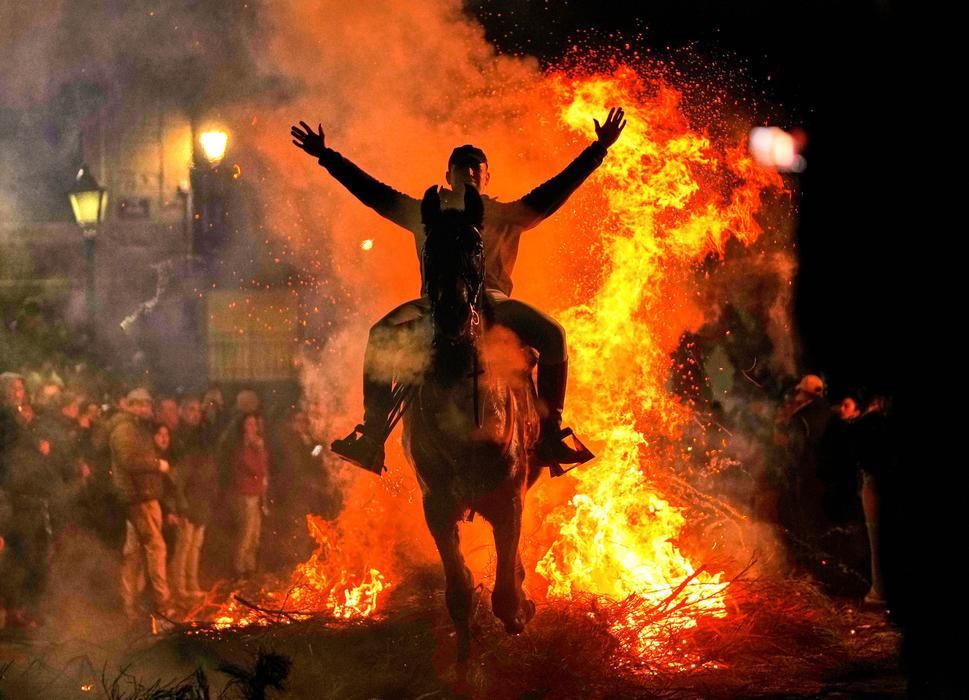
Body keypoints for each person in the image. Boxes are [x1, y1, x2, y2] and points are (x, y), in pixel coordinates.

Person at [290, 107, 627, 472]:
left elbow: (556, 190)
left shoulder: (507, 216)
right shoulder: (424, 214)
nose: (468, 173)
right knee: (380, 335)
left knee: (553, 334)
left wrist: (597, 151)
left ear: (486, 176)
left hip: (493, 303)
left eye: (475, 168)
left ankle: (549, 434)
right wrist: (327, 156)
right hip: (432, 305)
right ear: (448, 176)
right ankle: (372, 436)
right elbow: (373, 193)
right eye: (461, 168)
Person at [107, 387, 174, 621]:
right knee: (156, 548)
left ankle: (129, 605)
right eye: (142, 405)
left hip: (140, 496)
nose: (147, 409)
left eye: (148, 404)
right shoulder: (125, 429)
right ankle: (163, 605)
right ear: (131, 405)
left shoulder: (135, 428)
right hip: (139, 497)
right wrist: (157, 464)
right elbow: (129, 460)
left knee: (133, 554)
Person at [170, 395, 218, 600]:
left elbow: (210, 471)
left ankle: (192, 584)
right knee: (183, 547)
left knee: (195, 547)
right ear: (182, 411)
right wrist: (181, 504)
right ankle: (179, 587)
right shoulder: (180, 440)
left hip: (201, 501)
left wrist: (211, 494)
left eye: (198, 411)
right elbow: (178, 478)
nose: (195, 414)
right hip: (187, 502)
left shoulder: (203, 439)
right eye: (191, 410)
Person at [225, 413, 270, 579]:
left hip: (257, 494)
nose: (252, 428)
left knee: (254, 535)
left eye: (254, 424)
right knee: (246, 534)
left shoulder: (257, 446)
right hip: (246, 495)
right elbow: (254, 467)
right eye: (249, 424)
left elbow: (264, 467)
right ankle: (238, 570)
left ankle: (249, 569)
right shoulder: (241, 448)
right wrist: (257, 449)